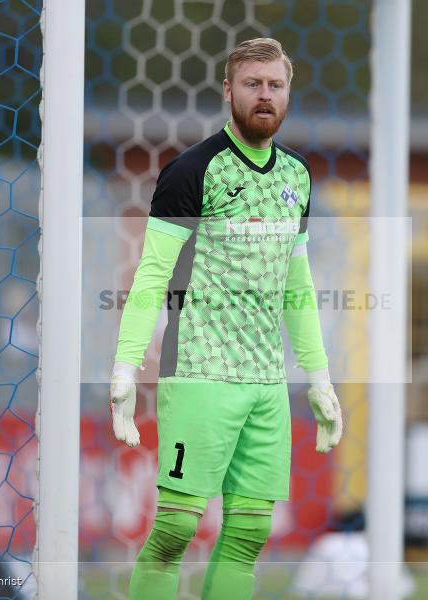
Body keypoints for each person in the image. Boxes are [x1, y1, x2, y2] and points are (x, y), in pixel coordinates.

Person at [109, 37, 343, 600]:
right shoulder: (192, 171)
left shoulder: (297, 177)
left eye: (275, 85)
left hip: (266, 385)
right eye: (253, 84)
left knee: (249, 534)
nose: (265, 95)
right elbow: (150, 276)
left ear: (288, 93)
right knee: (175, 529)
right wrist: (123, 366)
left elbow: (298, 284)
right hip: (199, 371)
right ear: (228, 92)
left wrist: (318, 376)